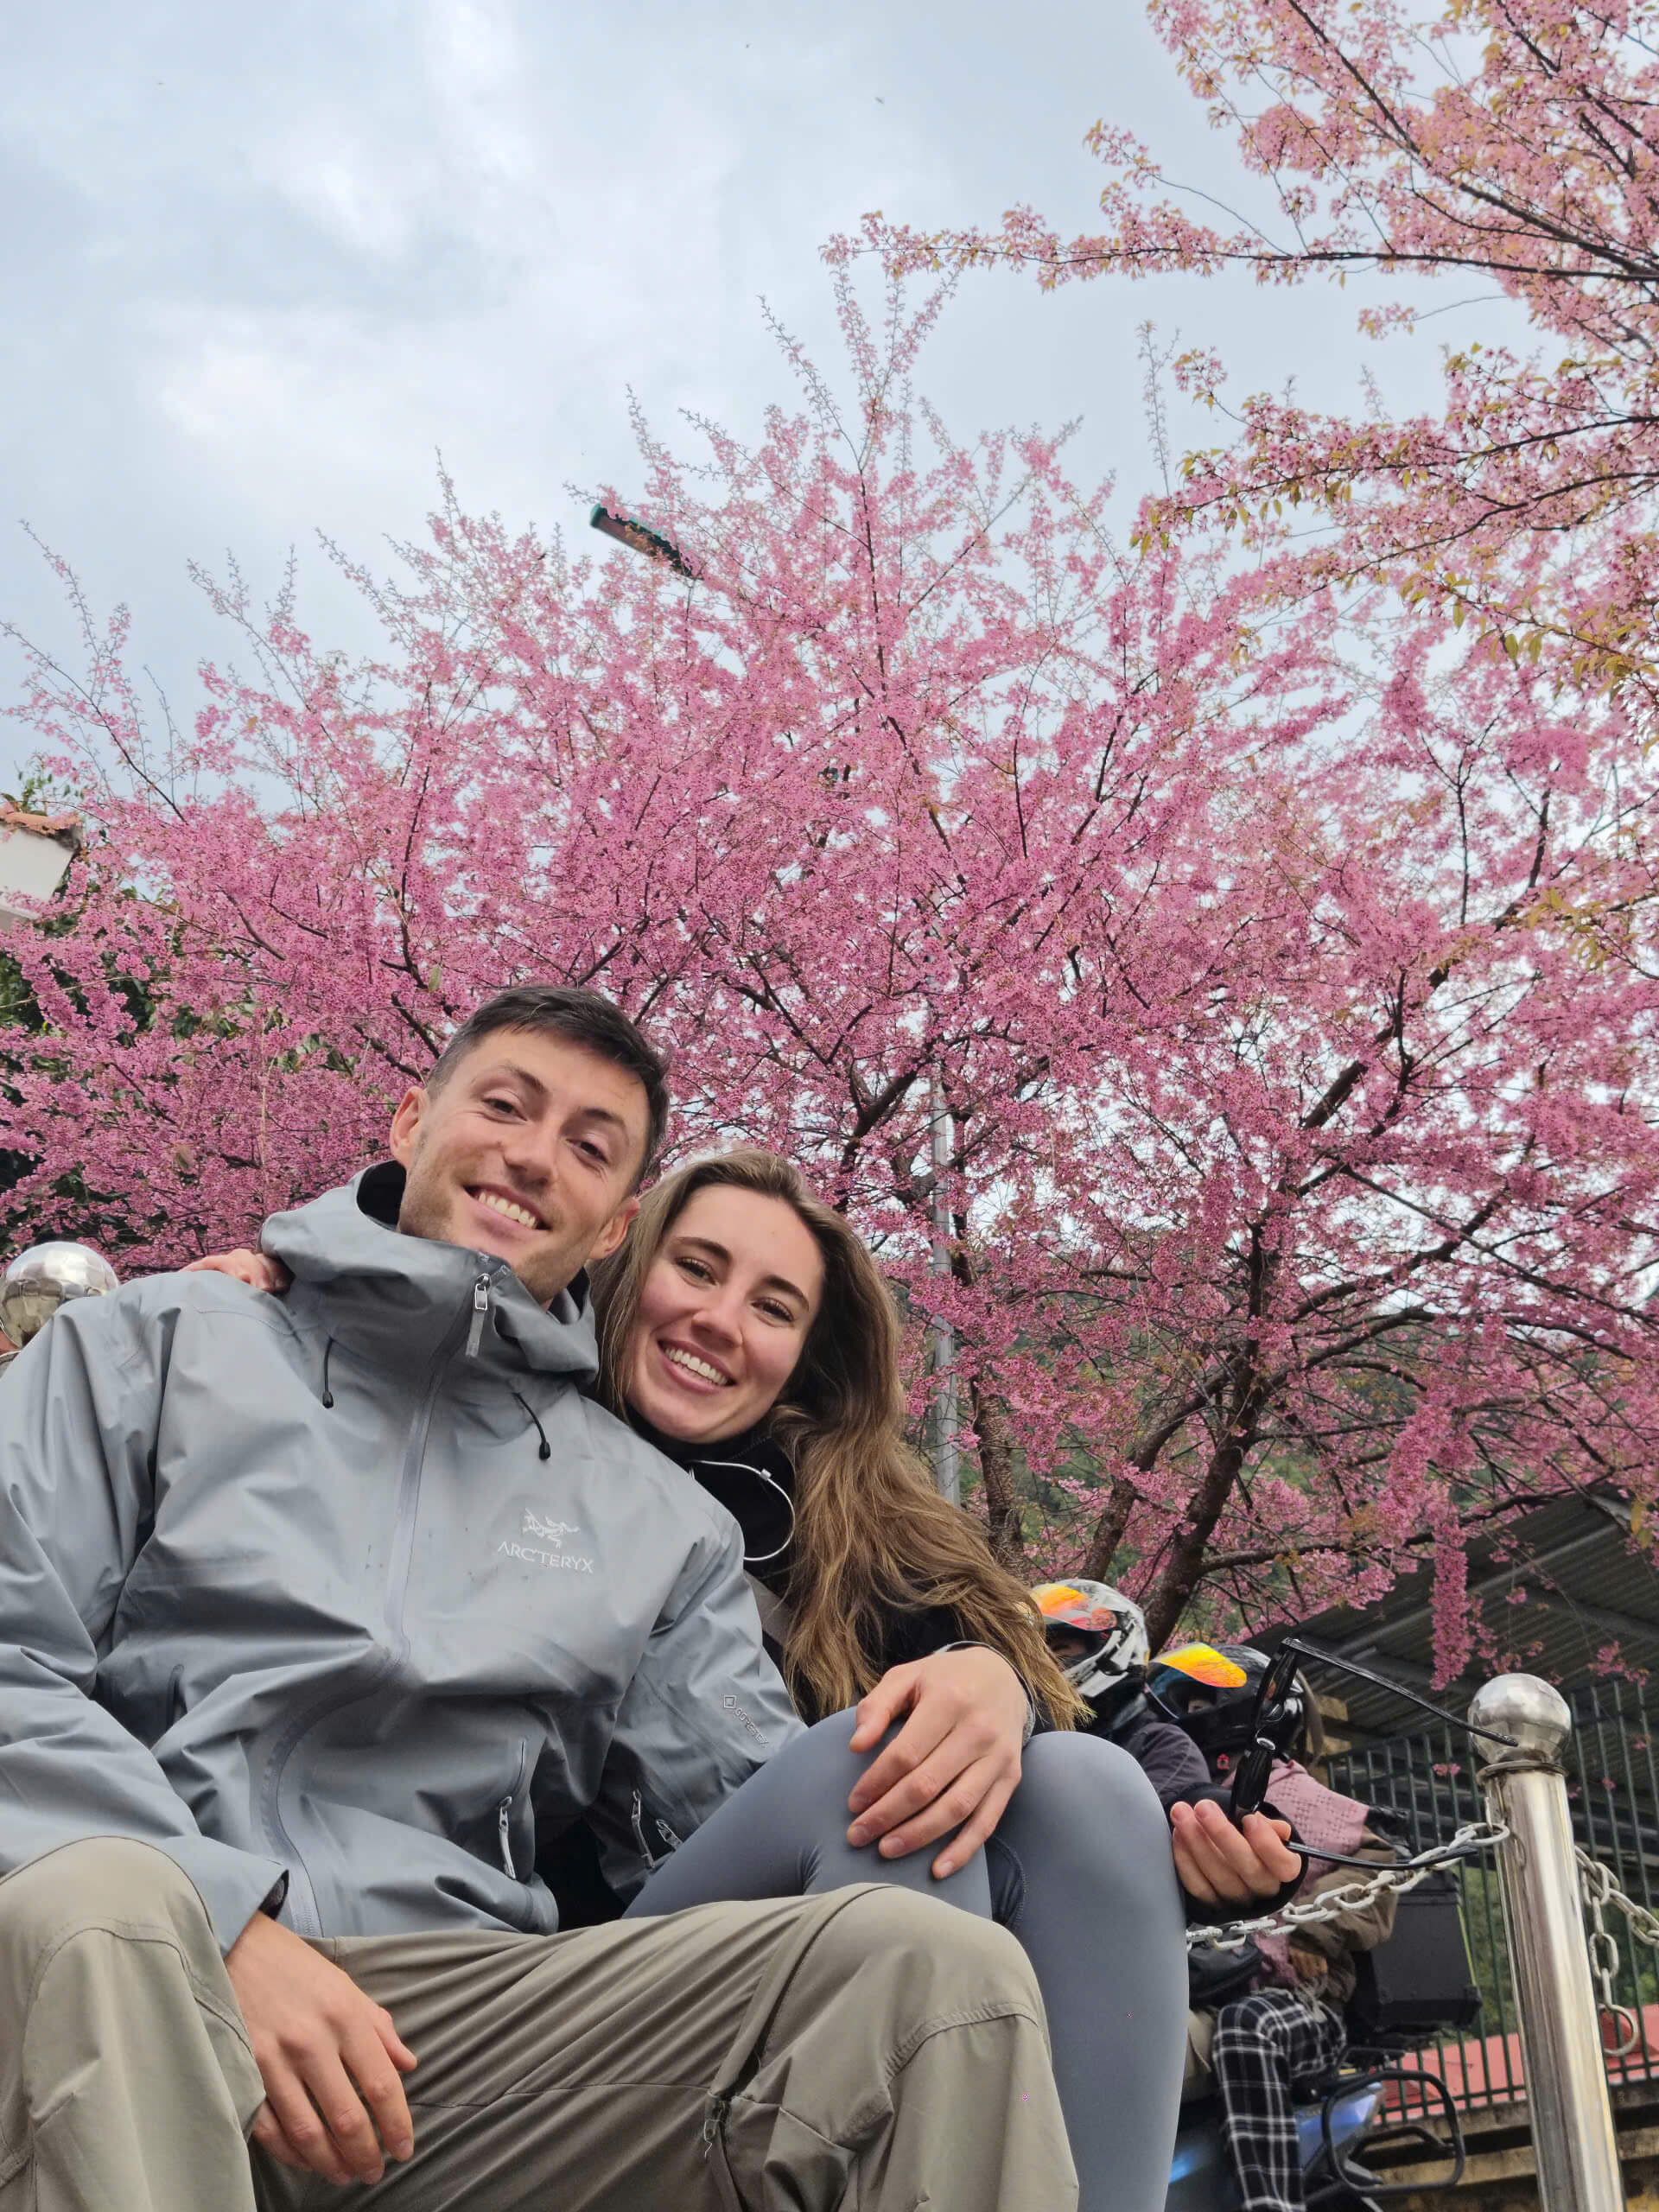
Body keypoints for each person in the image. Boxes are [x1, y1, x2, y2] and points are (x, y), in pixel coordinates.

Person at [0, 985, 1077, 2212]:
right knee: (102, 1905)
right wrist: (222, 1922)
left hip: (443, 2033)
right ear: (412, 1120)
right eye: (505, 1106)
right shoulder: (155, 1344)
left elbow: (755, 1811)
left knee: (932, 1977)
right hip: (122, 1955)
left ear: (615, 1225)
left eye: (588, 1145)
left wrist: (993, 1682)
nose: (531, 1155)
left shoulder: (658, 1526)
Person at [199, 1147, 1305, 2212]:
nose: (720, 1323)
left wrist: (1017, 1694)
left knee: (1085, 1786)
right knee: (873, 1773)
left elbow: (1101, 1709)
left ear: (806, 1353)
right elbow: (402, 1334)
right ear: (623, 1264)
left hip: (846, 1910)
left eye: (774, 1307)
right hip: (570, 1973)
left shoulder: (874, 1536)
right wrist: (283, 1302)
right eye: (698, 1267)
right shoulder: (501, 1431)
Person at [1149, 1643, 1401, 2212]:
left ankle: (1272, 2203)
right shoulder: (1178, 1790)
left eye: (1196, 1701)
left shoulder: (1306, 1798)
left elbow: (1376, 1871)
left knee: (1248, 2026)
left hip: (1302, 2005)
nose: (1183, 1714)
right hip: (1201, 1986)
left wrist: (1313, 1933)